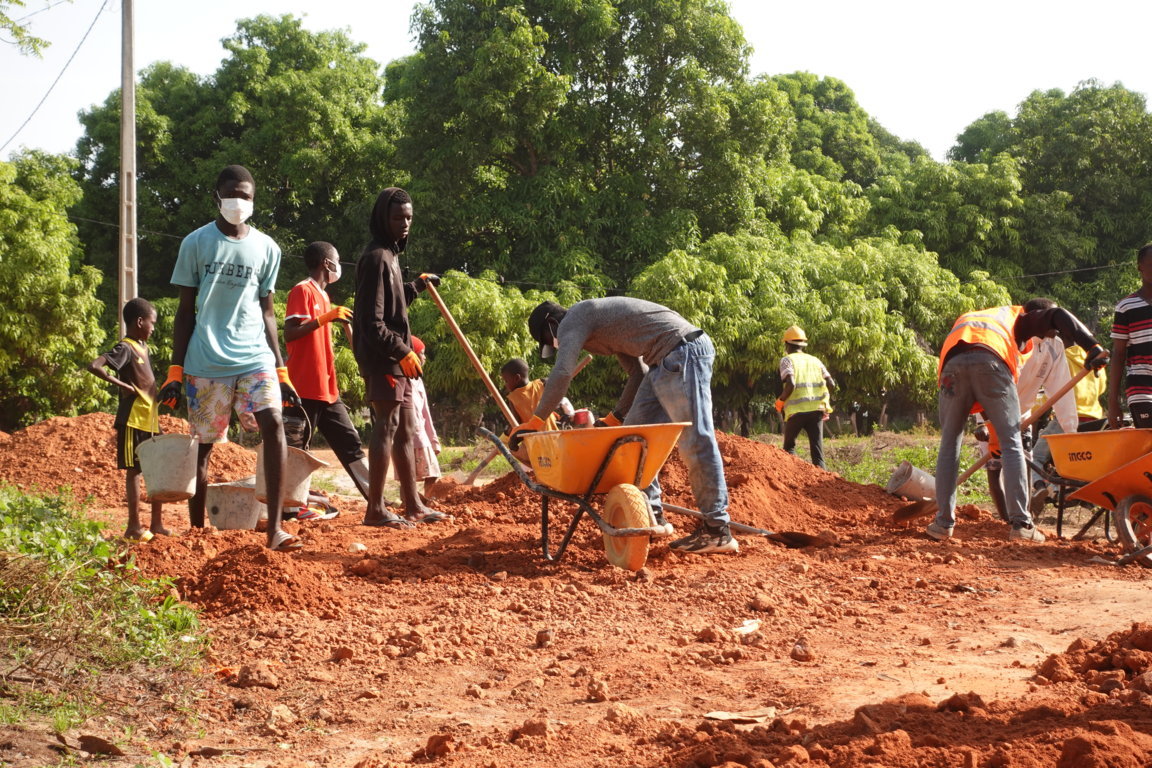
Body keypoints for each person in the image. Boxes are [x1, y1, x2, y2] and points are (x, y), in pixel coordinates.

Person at [517, 298, 737, 555]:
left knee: (695, 439)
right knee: (632, 440)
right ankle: (651, 516)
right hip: (661, 363)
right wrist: (615, 417)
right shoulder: (603, 327)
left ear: (552, 324)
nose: (558, 344)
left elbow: (563, 371)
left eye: (550, 339)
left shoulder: (573, 319)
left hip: (682, 351)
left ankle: (717, 530)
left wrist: (535, 421)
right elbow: (638, 372)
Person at [159, 164, 303, 552]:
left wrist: (281, 368)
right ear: (217, 197)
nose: (239, 202)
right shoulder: (195, 243)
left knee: (274, 422)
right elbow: (185, 311)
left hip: (255, 356)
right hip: (205, 360)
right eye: (232, 195)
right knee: (204, 446)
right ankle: (197, 532)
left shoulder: (267, 248)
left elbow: (269, 312)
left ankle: (275, 529)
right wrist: (175, 369)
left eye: (246, 196)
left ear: (254, 200)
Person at [928, 301, 1108, 543]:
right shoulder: (1021, 319)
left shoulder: (987, 319)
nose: (1052, 335)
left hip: (952, 367)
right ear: (1034, 315)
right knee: (1012, 443)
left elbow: (973, 367)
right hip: (991, 361)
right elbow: (1058, 315)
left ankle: (943, 523)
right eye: (1051, 331)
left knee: (950, 443)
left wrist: (991, 428)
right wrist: (1092, 347)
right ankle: (1022, 524)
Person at [353, 187, 448, 528]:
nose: (405, 223)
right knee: (388, 424)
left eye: (409, 217)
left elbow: (391, 307)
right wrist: (402, 350)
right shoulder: (376, 257)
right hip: (383, 357)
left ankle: (414, 505)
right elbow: (370, 321)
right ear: (383, 219)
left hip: (396, 356)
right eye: (398, 218)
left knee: (407, 428)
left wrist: (415, 287)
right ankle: (375, 509)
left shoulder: (391, 257)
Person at [283, 241, 371, 500]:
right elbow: (290, 332)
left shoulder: (324, 296)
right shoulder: (302, 291)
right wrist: (326, 318)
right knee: (298, 449)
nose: (338, 265)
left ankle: (374, 497)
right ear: (326, 263)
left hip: (326, 388)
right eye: (337, 260)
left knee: (350, 443)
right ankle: (292, 504)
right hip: (303, 386)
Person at [87, 297, 168, 542]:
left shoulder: (144, 347)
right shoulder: (126, 347)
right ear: (140, 321)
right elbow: (95, 365)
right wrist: (122, 385)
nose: (154, 327)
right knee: (134, 471)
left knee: (157, 470)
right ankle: (134, 526)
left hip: (150, 418)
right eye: (152, 322)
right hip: (132, 418)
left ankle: (157, 524)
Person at [775, 326, 836, 470]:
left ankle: (792, 478)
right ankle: (823, 485)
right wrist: (824, 401)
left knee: (789, 448)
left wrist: (780, 400)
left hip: (796, 411)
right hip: (816, 410)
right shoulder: (815, 360)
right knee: (817, 452)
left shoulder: (787, 360)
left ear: (787, 344)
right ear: (803, 345)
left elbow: (791, 384)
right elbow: (831, 384)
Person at [1108, 243, 1152, 430]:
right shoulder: (1127, 307)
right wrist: (1113, 403)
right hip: (1141, 388)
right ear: (1140, 267)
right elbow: (1118, 355)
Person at [408, 335, 443, 500]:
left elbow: (425, 413)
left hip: (421, 437)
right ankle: (414, 501)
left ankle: (423, 500)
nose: (424, 357)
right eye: (422, 353)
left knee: (432, 473)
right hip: (411, 437)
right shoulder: (403, 381)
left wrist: (433, 440)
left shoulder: (417, 381)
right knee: (409, 477)